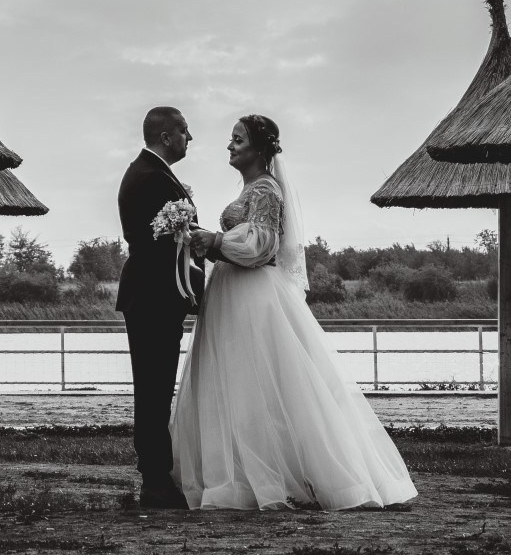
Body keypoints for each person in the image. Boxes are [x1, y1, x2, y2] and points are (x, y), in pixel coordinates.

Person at [173, 115, 416, 510]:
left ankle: (276, 475)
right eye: (231, 140)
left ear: (258, 148)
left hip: (252, 295)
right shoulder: (253, 187)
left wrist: (214, 239)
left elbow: (263, 246)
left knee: (261, 382)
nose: (230, 146)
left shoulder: (267, 188)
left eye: (237, 140)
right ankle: (242, 473)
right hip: (231, 291)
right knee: (236, 381)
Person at [116, 106, 201, 509]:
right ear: (166, 137)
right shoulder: (150, 177)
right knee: (153, 388)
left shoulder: (152, 173)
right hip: (151, 296)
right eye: (185, 131)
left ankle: (156, 475)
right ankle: (154, 479)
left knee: (156, 386)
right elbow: (162, 248)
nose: (190, 138)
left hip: (155, 295)